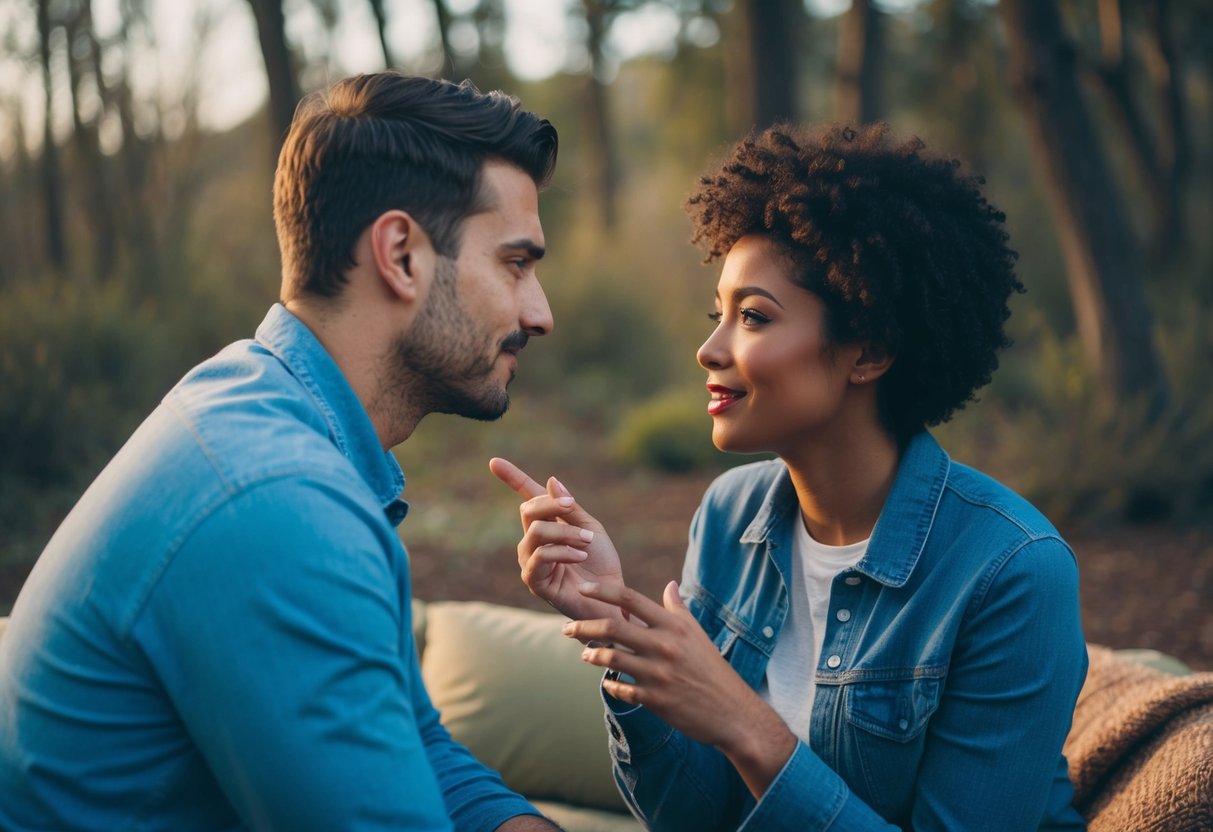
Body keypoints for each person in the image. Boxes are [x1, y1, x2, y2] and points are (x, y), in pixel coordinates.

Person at [0, 72, 564, 831]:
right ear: (400, 255)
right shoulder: (273, 499)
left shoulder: (265, 413)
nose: (541, 312)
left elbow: (415, 741)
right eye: (516, 264)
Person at [491, 123, 1088, 830]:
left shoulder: (1010, 573)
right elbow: (691, 817)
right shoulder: (729, 513)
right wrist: (615, 620)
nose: (708, 350)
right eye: (718, 314)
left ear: (866, 350)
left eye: (751, 316)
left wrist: (746, 725)